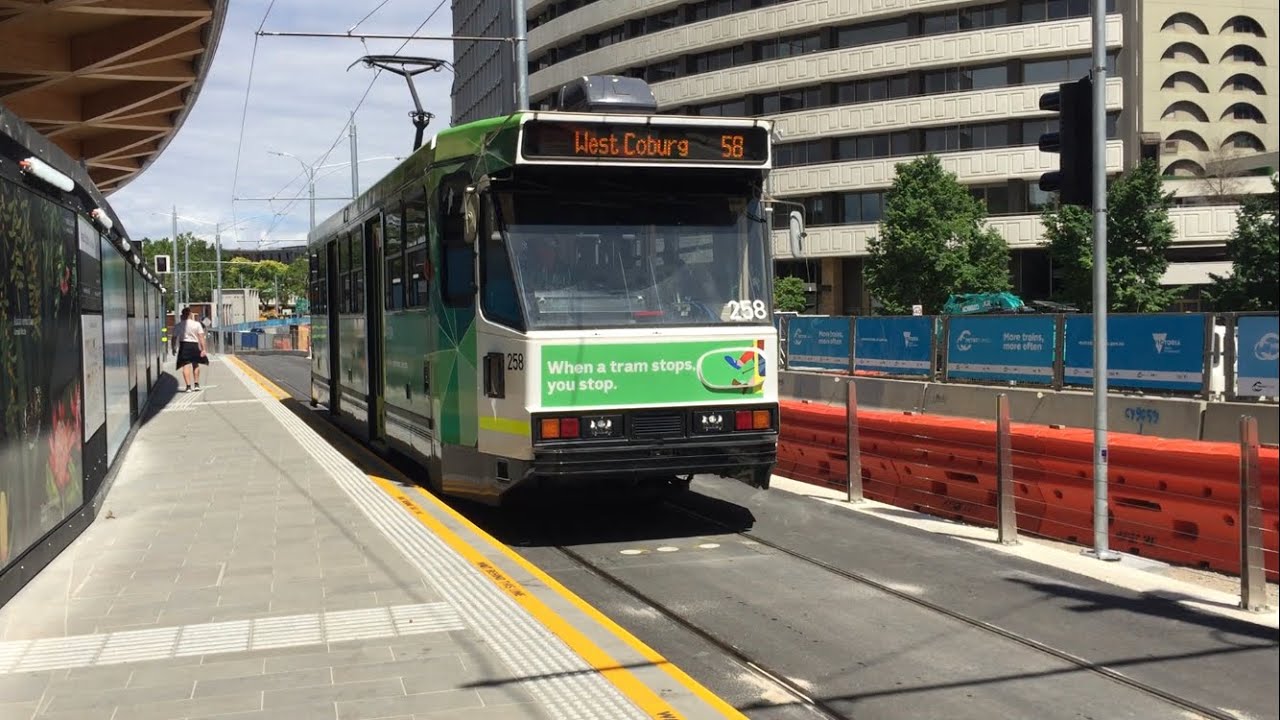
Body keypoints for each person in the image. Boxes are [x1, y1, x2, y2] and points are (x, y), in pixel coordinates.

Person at [172, 307, 208, 392]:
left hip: (184, 345)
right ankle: (196, 384)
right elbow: (201, 337)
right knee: (195, 364)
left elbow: (174, 338)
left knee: (185, 365)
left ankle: (188, 386)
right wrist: (203, 349)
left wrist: (173, 348)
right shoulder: (197, 324)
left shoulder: (179, 325)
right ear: (190, 314)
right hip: (194, 345)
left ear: (182, 315)